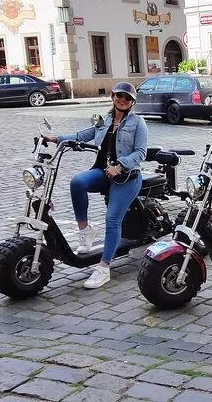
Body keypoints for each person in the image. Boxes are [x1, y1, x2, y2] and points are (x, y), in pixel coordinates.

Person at [43, 82, 148, 289]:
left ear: (132, 102)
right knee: (78, 182)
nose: (123, 100)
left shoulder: (138, 122)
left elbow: (141, 152)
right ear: (112, 96)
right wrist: (56, 139)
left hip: (127, 177)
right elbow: (83, 135)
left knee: (112, 219)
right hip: (103, 172)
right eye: (119, 95)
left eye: (127, 98)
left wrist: (120, 166)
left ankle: (103, 267)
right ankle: (85, 232)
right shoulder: (105, 120)